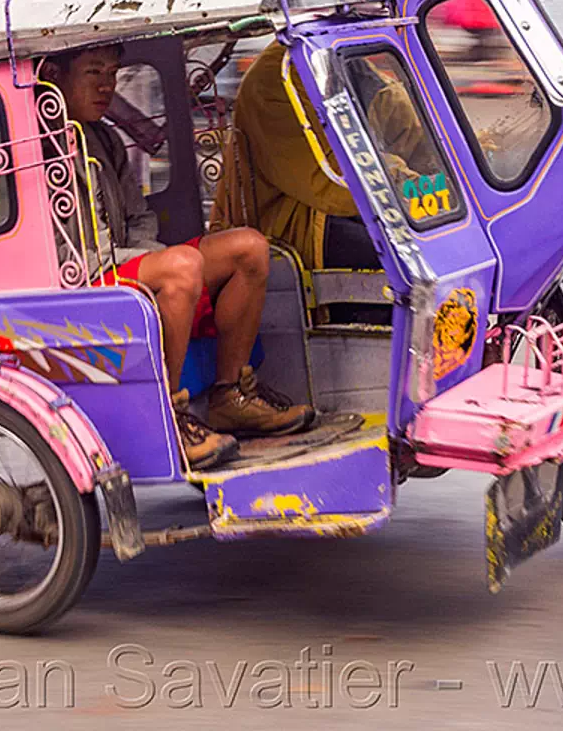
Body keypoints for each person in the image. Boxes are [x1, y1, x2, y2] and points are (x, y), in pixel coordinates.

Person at [38, 44, 315, 471]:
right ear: (55, 77)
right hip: (81, 276)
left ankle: (229, 395)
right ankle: (166, 415)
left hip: (124, 259)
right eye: (94, 73)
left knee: (249, 248)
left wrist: (148, 256)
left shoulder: (105, 138)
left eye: (112, 74)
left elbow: (139, 216)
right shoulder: (38, 146)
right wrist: (157, 262)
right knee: (182, 267)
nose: (107, 86)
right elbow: (54, 247)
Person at [211, 40, 435, 274]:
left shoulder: (347, 57)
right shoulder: (276, 76)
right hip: (294, 224)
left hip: (354, 203)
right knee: (408, 258)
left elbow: (411, 135)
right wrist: (409, 186)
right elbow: (330, 177)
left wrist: (442, 181)